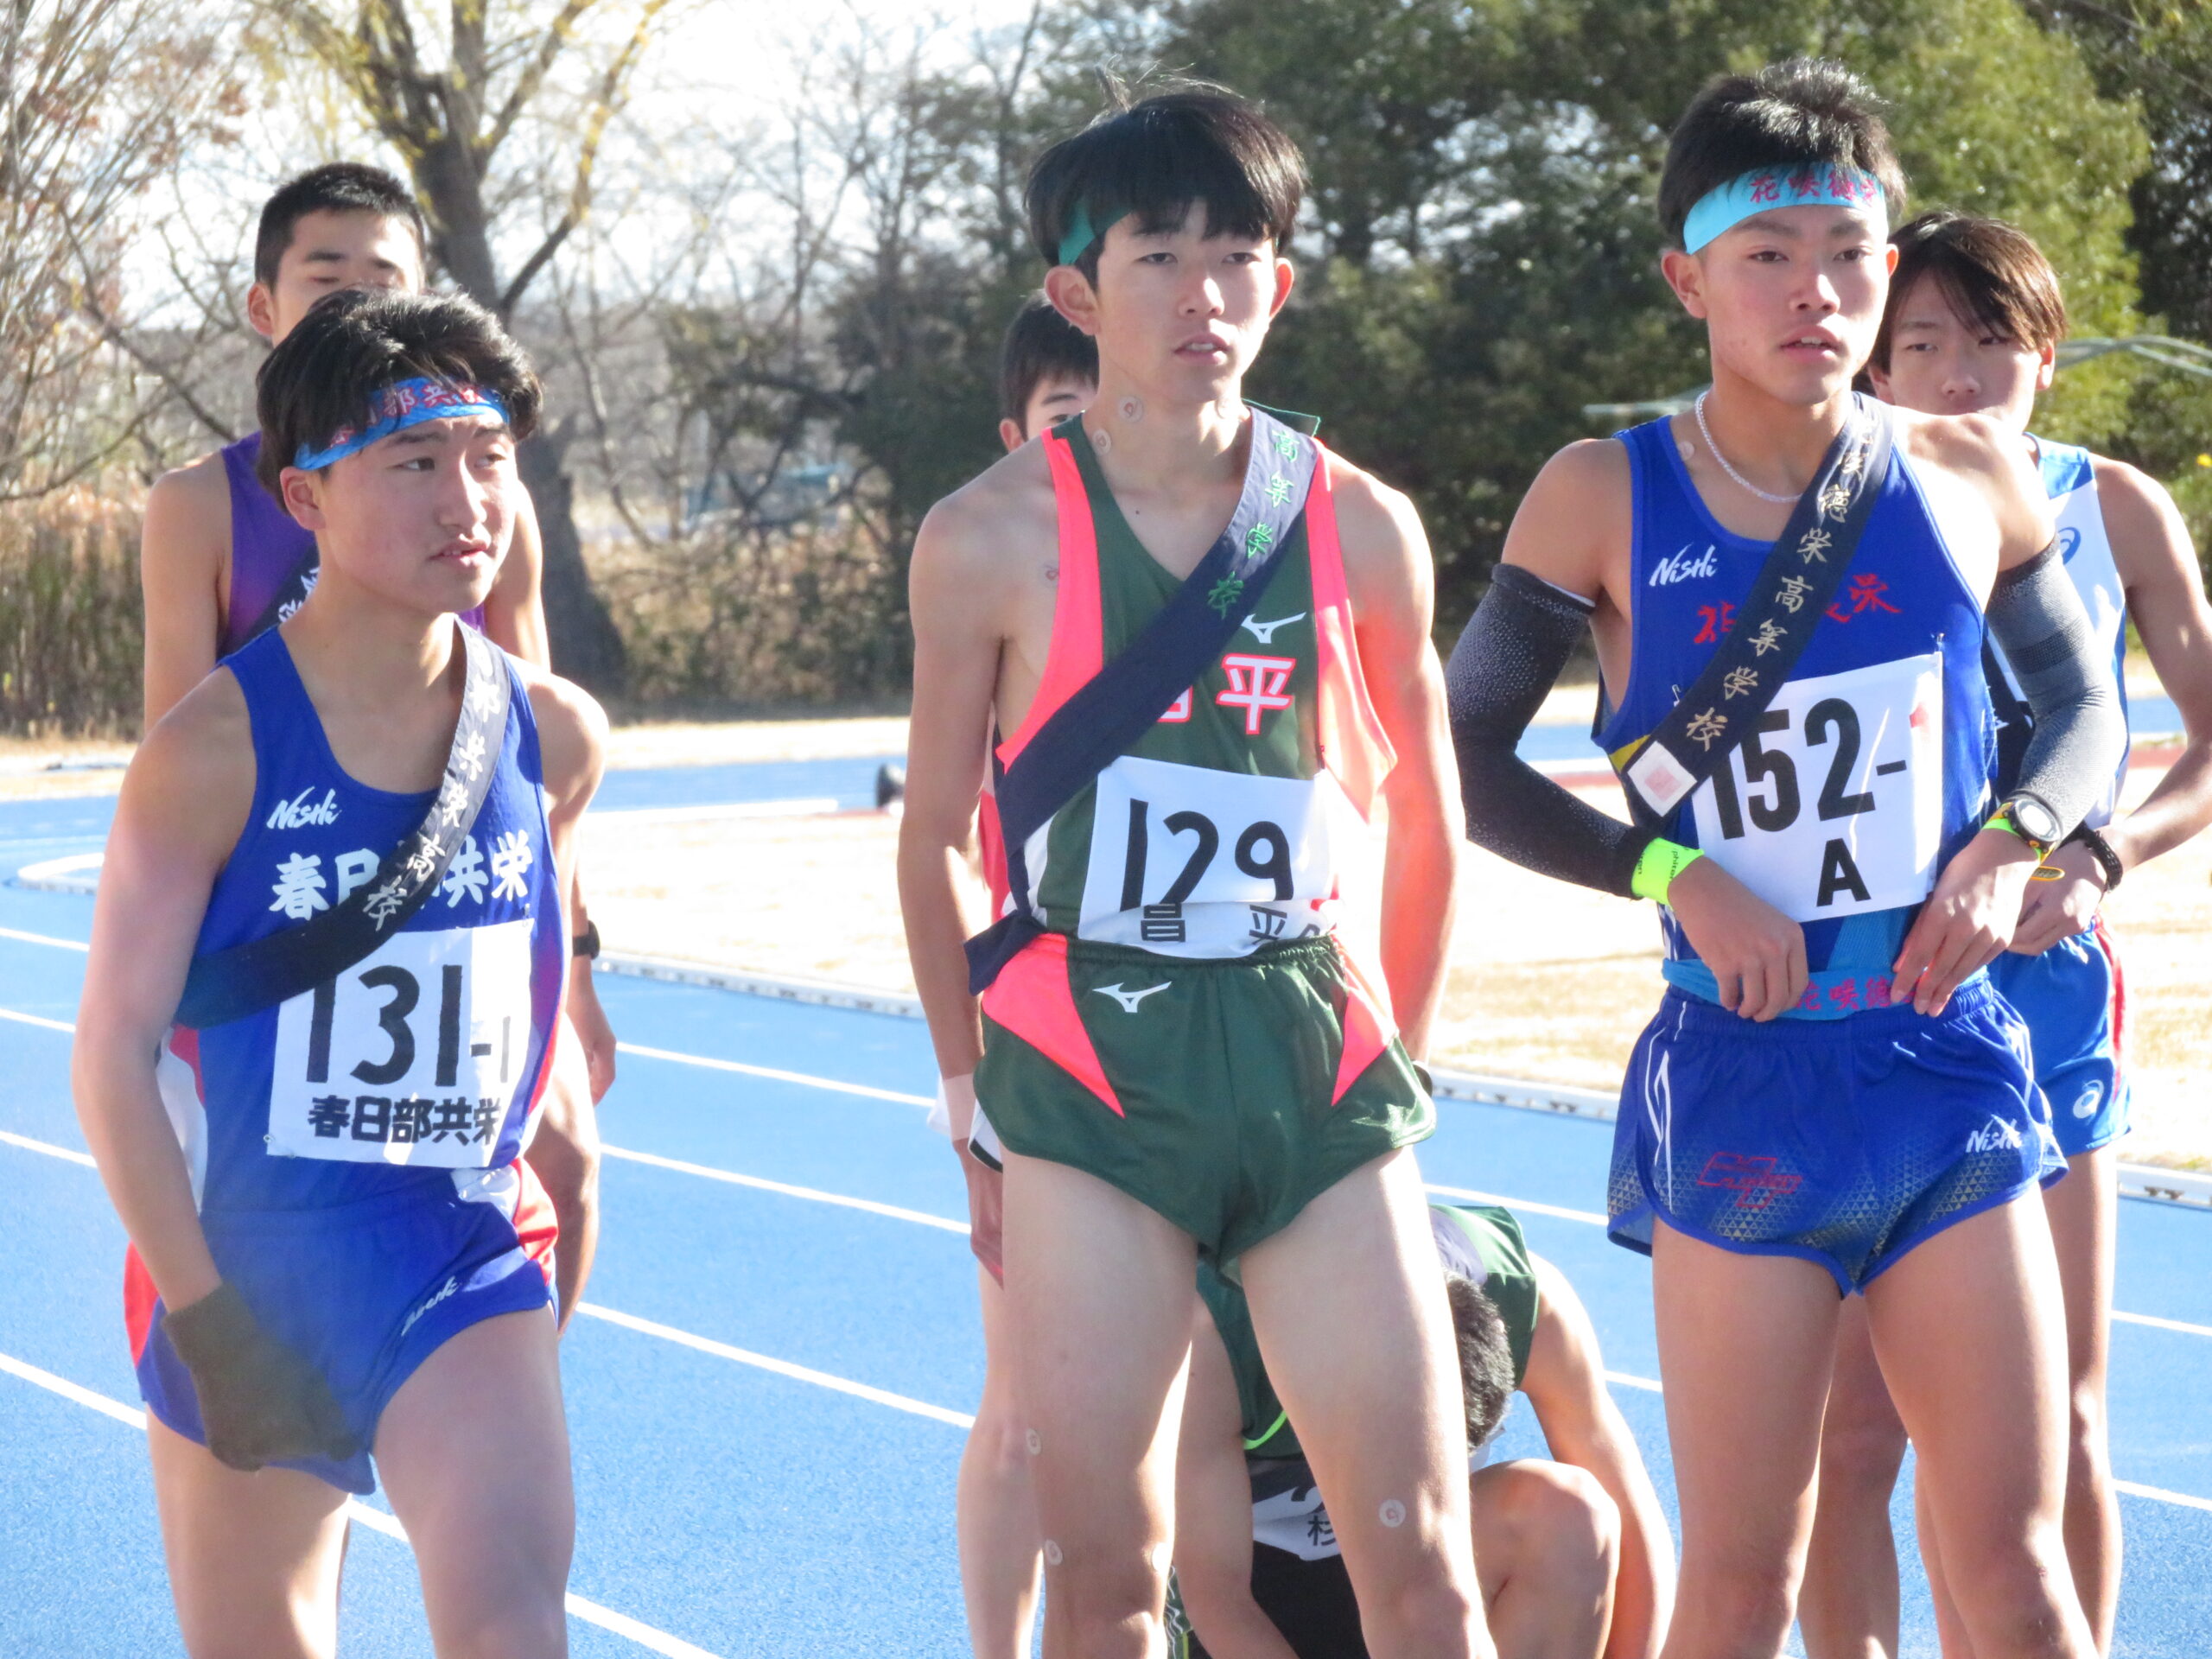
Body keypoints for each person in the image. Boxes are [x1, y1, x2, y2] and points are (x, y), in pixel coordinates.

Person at [1446, 59, 2126, 1659]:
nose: (1814, 290)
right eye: (1767, 255)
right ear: (1688, 277)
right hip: (1746, 1075)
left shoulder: (1969, 472)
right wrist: (1669, 875)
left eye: (1847, 253)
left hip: (1945, 1060)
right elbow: (1459, 755)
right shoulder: (1600, 494)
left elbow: (2085, 708)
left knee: (2017, 1570)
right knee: (1746, 1581)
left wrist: (2019, 839)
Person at [899, 86, 1489, 1659]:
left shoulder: (1364, 526)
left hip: (1308, 1050)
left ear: (1279, 285)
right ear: (1078, 292)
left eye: (1237, 256)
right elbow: (933, 838)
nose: (1202, 295)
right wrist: (969, 1105)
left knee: (1425, 1564)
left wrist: (1404, 1056)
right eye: (1158, 255)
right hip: (1090, 1067)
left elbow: (1427, 814)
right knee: (1109, 1580)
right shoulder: (986, 538)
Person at [74, 286, 605, 1657]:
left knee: (512, 1627)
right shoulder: (207, 754)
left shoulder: (556, 736)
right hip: (252, 1262)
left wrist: (562, 1121)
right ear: (304, 497)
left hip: (460, 1241)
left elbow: (531, 975)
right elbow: (112, 1057)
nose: (467, 502)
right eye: (415, 462)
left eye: (489, 458)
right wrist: (207, 1317)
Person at [1799, 211, 2212, 1659]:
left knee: (2066, 1418)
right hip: (1868, 1002)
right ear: (1875, 364)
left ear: (2048, 353)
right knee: (1857, 1434)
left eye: (1992, 341)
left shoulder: (2117, 508)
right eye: (1922, 344)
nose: (1959, 376)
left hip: (2046, 995)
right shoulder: (1808, 510)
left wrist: (2100, 854)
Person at [137, 162, 613, 1323]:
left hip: (467, 918)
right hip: (283, 915)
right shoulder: (202, 505)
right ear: (265, 307)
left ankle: (503, 1394)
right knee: (246, 1232)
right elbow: (173, 745)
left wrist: (580, 961)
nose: (356, 298)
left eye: (383, 277)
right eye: (326, 275)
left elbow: (538, 751)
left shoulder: (485, 497)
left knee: (564, 1161)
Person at [929, 292, 1101, 1659]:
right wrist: (965, 1092)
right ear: (1013, 435)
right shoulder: (996, 568)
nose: (1098, 437)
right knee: (1027, 1407)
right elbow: (932, 838)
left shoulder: (1245, 544)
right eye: (1065, 415)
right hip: (1045, 1038)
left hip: (1237, 1039)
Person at [1172, 1204, 1675, 1659]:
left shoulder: (1531, 1304)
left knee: (1570, 1512)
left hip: (1420, 1576)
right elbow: (1217, 1600)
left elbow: (1629, 1513)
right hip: (1256, 1587)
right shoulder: (1212, 1345)